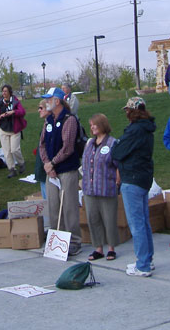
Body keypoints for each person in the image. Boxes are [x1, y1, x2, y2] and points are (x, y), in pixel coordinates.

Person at [111, 97, 156, 277]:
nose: (126, 114)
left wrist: (118, 146)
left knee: (136, 224)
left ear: (132, 111)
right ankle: (147, 259)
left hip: (132, 178)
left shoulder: (134, 130)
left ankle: (143, 264)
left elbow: (117, 152)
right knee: (144, 222)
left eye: (127, 110)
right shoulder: (147, 129)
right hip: (144, 178)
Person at [39, 87, 81, 256]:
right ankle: (57, 241)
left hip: (66, 171)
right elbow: (41, 144)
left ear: (57, 101)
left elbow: (68, 147)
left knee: (69, 207)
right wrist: (47, 164)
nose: (46, 102)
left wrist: (53, 163)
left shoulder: (69, 120)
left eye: (49, 99)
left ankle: (75, 241)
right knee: (54, 207)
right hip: (52, 173)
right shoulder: (48, 121)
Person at [82, 113, 119, 261]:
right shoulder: (90, 143)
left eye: (95, 124)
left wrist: (117, 179)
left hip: (106, 186)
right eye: (91, 125)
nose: (92, 127)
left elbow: (118, 164)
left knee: (109, 218)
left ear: (102, 124)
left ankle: (111, 248)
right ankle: (98, 248)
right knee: (93, 218)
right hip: (89, 187)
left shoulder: (112, 143)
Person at [0, 84, 27, 178]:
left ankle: (21, 163)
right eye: (3, 91)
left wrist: (13, 112)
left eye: (5, 91)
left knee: (15, 149)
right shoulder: (0, 102)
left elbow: (22, 112)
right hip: (4, 129)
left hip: (14, 129)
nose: (4, 93)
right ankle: (12, 169)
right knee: (6, 151)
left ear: (10, 92)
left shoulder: (15, 101)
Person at [34, 99, 49, 199]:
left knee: (49, 201)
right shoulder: (46, 124)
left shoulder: (50, 126)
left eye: (41, 108)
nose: (39, 110)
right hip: (42, 167)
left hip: (47, 168)